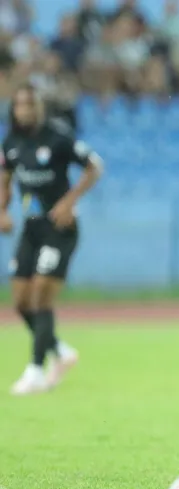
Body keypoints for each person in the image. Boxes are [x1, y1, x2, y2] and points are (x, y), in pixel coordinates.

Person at [0, 84, 104, 395]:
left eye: (30, 106)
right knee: (20, 302)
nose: (25, 112)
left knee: (41, 295)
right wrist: (3, 211)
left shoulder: (57, 138)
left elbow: (94, 167)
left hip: (60, 229)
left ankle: (34, 371)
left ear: (38, 108)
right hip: (32, 227)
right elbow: (5, 178)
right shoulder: (12, 142)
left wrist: (69, 202)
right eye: (19, 106)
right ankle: (60, 351)